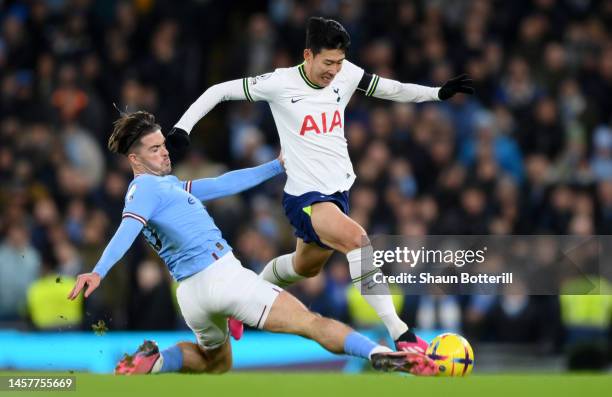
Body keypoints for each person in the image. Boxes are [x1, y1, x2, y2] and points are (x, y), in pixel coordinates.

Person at [165, 16, 474, 353]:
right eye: (328, 62)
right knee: (358, 240)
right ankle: (401, 334)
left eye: (339, 63)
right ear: (308, 55)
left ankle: (249, 296)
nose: (334, 70)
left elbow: (392, 89)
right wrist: (183, 128)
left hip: (337, 193)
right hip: (304, 197)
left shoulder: (346, 74)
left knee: (303, 267)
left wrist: (437, 94)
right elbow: (219, 91)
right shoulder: (280, 83)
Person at [67, 110, 437, 376]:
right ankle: (380, 353)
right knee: (310, 322)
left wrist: (276, 166)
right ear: (134, 159)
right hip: (223, 277)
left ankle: (156, 361)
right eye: (154, 149)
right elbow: (126, 229)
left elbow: (224, 183)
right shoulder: (145, 189)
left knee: (217, 363)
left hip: (192, 295)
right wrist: (98, 271)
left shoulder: (169, 187)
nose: (165, 152)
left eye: (164, 145)